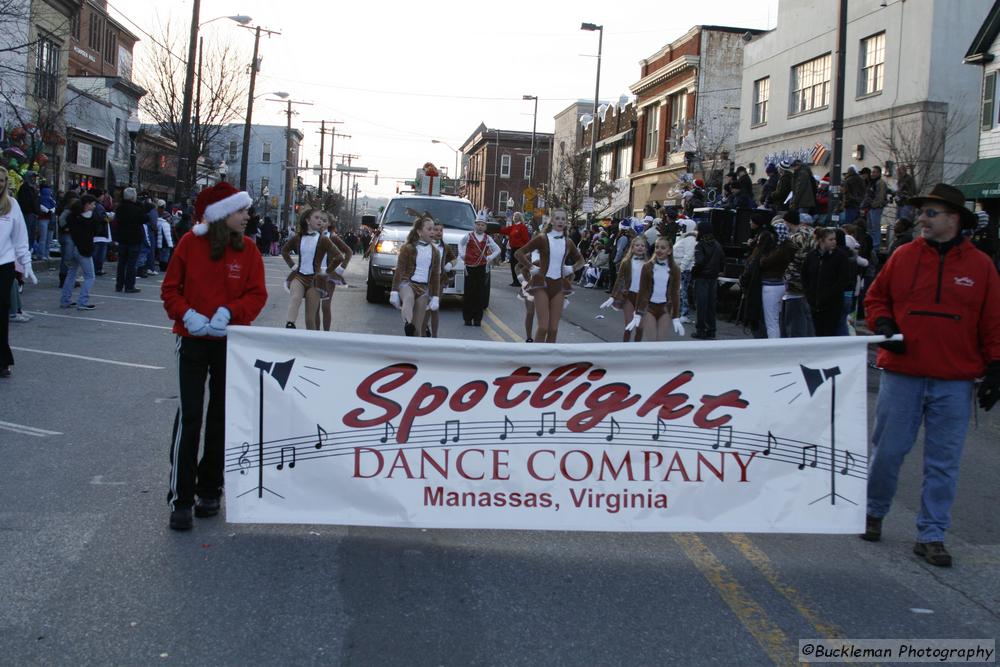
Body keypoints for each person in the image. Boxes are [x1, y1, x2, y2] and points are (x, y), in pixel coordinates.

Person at [862, 183, 1000, 567]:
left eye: (931, 213)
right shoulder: (904, 256)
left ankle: (932, 533)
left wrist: (996, 366)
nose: (922, 218)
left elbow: (993, 321)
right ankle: (873, 512)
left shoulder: (981, 266)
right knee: (887, 454)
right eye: (922, 212)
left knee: (944, 461)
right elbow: (876, 297)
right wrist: (884, 322)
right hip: (903, 372)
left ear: (953, 219)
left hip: (954, 379)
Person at [161, 181, 267, 531]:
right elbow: (170, 289)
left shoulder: (249, 249)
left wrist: (230, 313)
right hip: (191, 339)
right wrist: (186, 313)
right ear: (223, 215)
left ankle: (210, 488)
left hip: (229, 341)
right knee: (191, 416)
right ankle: (181, 497)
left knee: (222, 414)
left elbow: (257, 294)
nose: (247, 215)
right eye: (241, 210)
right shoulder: (190, 244)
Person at [514, 208, 584, 343]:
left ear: (566, 222)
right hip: (542, 284)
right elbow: (519, 253)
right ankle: (537, 360)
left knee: (553, 329)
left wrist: (571, 268)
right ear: (551, 221)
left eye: (563, 219)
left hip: (559, 286)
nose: (560, 221)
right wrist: (531, 267)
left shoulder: (568, 242)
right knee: (543, 327)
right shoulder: (542, 238)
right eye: (557, 218)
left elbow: (581, 260)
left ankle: (549, 361)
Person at [0, 168, 38, 378]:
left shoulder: (12, 206)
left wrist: (27, 264)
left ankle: (2, 360)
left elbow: (20, 238)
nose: (0, 183)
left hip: (4, 265)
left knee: (2, 312)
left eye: (2, 180)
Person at [281, 208, 344, 330]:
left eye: (321, 219)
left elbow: (339, 257)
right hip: (298, 277)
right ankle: (290, 325)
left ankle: (312, 342)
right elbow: (284, 250)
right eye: (316, 217)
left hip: (315, 281)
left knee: (310, 319)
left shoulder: (323, 239)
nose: (320, 220)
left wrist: (326, 271)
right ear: (307, 220)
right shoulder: (298, 237)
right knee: (295, 298)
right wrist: (293, 266)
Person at [390, 214, 441, 337]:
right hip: (407, 284)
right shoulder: (408, 248)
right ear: (419, 231)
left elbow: (435, 276)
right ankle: (408, 323)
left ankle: (412, 335)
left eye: (433, 229)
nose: (432, 232)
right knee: (408, 298)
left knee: (417, 330)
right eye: (429, 229)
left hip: (423, 289)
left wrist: (435, 296)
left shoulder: (435, 252)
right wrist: (394, 291)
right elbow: (400, 270)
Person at [630, 237, 684, 341]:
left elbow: (675, 294)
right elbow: (642, 292)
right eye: (657, 247)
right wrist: (637, 313)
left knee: (660, 342)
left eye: (663, 248)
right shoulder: (647, 267)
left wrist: (676, 317)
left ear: (669, 251)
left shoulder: (675, 269)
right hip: (649, 307)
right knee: (651, 342)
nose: (659, 250)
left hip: (665, 308)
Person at [802, 227, 851, 336]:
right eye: (830, 239)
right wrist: (809, 294)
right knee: (818, 332)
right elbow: (805, 276)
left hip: (832, 303)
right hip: (814, 302)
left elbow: (843, 279)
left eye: (834, 239)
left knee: (830, 332)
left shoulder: (840, 256)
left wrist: (829, 295)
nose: (834, 241)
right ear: (821, 240)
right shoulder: (812, 256)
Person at [458, 209, 501, 326]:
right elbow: (460, 244)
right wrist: (462, 255)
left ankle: (477, 318)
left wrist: (489, 257)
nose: (480, 227)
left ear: (485, 227)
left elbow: (498, 249)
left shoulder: (488, 239)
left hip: (481, 268)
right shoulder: (469, 236)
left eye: (482, 225)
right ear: (475, 225)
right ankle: (467, 318)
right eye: (478, 225)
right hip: (470, 267)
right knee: (469, 292)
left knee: (479, 293)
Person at [603, 235, 649, 342]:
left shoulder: (648, 264)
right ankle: (625, 347)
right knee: (628, 325)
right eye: (637, 245)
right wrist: (613, 297)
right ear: (632, 248)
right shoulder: (626, 262)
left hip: (642, 298)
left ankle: (636, 349)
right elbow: (619, 280)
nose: (640, 247)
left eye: (642, 245)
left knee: (640, 327)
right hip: (629, 295)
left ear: (645, 249)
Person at [779, 211, 816, 337]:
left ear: (787, 222)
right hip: (809, 279)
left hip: (795, 279)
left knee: (795, 318)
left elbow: (790, 258)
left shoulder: (794, 238)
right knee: (806, 315)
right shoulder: (812, 233)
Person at [60, 195, 98, 311]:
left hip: (72, 248)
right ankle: (82, 301)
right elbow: (96, 229)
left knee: (71, 273)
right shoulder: (91, 217)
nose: (94, 206)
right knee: (90, 276)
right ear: (87, 204)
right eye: (93, 204)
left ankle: (65, 300)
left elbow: (65, 223)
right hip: (84, 249)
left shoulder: (73, 216)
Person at [758, 220, 795, 338]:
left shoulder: (780, 250)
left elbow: (763, 262)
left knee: (771, 320)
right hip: (778, 284)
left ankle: (773, 345)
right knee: (774, 318)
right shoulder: (786, 248)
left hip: (771, 285)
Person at [318, 214, 352, 332]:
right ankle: (315, 334)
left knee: (325, 306)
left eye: (324, 220)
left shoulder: (332, 237)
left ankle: (326, 333)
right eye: (319, 219)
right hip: (315, 274)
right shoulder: (313, 236)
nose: (321, 222)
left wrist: (340, 269)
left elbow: (349, 252)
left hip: (329, 274)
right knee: (315, 306)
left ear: (329, 224)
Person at [691, 221, 724, 340]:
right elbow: (722, 262)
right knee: (711, 305)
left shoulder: (700, 245)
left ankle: (701, 330)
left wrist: (694, 272)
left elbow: (699, 262)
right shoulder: (717, 244)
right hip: (713, 278)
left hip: (702, 278)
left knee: (701, 305)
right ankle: (711, 330)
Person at [424, 220, 456, 338]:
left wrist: (450, 265)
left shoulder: (445, 247)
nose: (438, 232)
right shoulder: (424, 244)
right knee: (425, 308)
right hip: (425, 281)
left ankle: (435, 336)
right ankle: (422, 332)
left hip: (440, 281)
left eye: (441, 230)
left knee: (434, 308)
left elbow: (454, 259)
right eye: (435, 230)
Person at [114, 188, 147, 293]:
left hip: (122, 238)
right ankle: (129, 285)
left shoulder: (119, 208)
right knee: (132, 264)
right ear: (133, 197)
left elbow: (116, 221)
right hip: (134, 238)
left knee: (121, 263)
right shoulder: (137, 209)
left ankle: (119, 285)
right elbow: (145, 219)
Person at [499, 211, 530, 286]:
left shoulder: (522, 227)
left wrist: (527, 250)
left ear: (520, 218)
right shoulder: (512, 227)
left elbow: (526, 239)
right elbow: (503, 231)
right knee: (513, 265)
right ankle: (515, 281)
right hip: (513, 249)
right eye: (514, 216)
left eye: (516, 216)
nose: (515, 217)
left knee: (518, 265)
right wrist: (495, 228)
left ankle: (520, 281)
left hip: (520, 249)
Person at [862, 165, 888, 248]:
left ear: (879, 173)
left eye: (874, 172)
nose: (872, 174)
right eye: (872, 172)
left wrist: (873, 205)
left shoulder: (880, 183)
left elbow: (880, 197)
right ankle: (870, 244)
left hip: (876, 208)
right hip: (870, 208)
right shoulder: (872, 182)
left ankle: (876, 246)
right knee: (870, 227)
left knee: (875, 227)